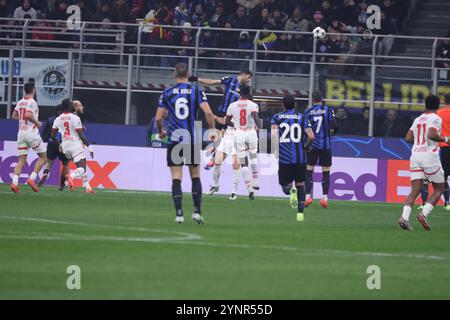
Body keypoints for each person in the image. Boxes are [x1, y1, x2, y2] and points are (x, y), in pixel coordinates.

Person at [155, 63, 216, 224]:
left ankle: (179, 214)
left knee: (176, 177)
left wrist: (161, 131)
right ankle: (197, 212)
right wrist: (213, 131)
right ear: (188, 74)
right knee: (195, 176)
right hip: (191, 138)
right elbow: (208, 113)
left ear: (174, 75)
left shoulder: (167, 92)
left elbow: (158, 117)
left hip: (175, 138)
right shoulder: (197, 91)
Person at [398, 95, 450, 231]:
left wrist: (419, 140)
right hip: (429, 156)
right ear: (438, 105)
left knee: (415, 190)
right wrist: (446, 138)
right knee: (439, 188)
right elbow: (432, 134)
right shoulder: (436, 118)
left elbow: (408, 137)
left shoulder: (418, 119)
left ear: (425, 105)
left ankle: (404, 218)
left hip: (415, 155)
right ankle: (423, 214)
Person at [190, 69, 253, 169]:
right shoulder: (230, 80)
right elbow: (213, 82)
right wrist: (197, 79)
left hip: (231, 116)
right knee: (218, 136)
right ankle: (213, 148)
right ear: (244, 74)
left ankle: (212, 159)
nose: (249, 80)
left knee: (224, 137)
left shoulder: (245, 89)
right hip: (221, 111)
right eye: (249, 78)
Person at [271, 95, 315, 222]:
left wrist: (275, 150)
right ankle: (300, 214)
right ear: (295, 104)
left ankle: (291, 192)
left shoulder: (277, 118)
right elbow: (311, 136)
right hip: (300, 158)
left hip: (285, 158)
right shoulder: (302, 117)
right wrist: (306, 146)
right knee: (301, 183)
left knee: (285, 186)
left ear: (282, 105)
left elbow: (274, 135)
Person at [224, 85, 262, 200]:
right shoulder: (253, 105)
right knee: (253, 157)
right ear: (249, 93)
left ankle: (249, 188)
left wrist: (235, 125)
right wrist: (259, 128)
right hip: (251, 132)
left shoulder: (232, 105)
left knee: (243, 161)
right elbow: (255, 116)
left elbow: (226, 121)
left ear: (240, 93)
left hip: (239, 133)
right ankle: (255, 182)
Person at [51, 99, 95, 194]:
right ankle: (71, 176)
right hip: (75, 145)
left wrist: (59, 144)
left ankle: (87, 187)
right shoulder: (75, 118)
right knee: (82, 167)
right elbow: (80, 134)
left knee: (81, 165)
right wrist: (89, 146)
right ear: (69, 106)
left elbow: (52, 135)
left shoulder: (58, 119)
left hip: (65, 148)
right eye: (71, 104)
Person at [10, 82, 47, 193]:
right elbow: (28, 115)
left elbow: (13, 116)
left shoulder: (20, 102)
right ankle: (31, 179)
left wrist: (22, 122)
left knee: (21, 160)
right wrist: (37, 122)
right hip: (31, 132)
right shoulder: (32, 102)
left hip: (21, 133)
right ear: (33, 90)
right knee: (43, 157)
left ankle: (14, 183)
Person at [304, 91, 337, 208]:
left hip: (312, 146)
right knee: (326, 172)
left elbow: (306, 130)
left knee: (308, 171)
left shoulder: (307, 112)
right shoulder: (328, 110)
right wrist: (331, 132)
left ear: (312, 99)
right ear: (322, 99)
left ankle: (308, 197)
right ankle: (325, 199)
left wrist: (307, 144)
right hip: (325, 146)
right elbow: (335, 125)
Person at [38, 104, 70, 190]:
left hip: (52, 143)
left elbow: (45, 132)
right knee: (65, 164)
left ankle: (45, 173)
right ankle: (61, 184)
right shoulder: (67, 119)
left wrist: (46, 139)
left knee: (48, 162)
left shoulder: (51, 119)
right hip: (63, 144)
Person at [437, 93, 450, 210]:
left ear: (444, 101)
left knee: (444, 176)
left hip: (444, 146)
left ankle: (447, 202)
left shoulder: (439, 113)